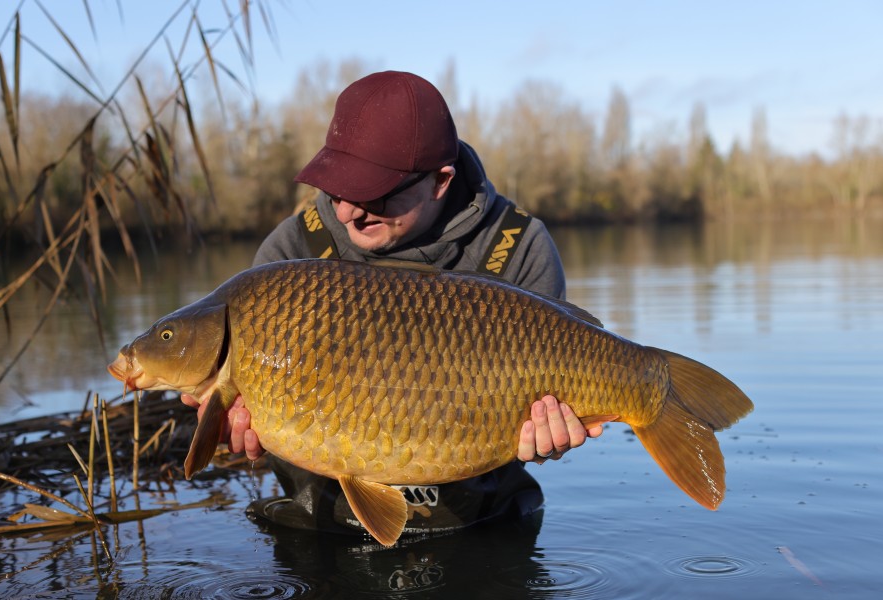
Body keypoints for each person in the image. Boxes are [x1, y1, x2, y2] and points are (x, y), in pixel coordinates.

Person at [183, 70, 602, 537]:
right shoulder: (292, 254)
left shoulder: (517, 245)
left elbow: (553, 406)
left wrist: (552, 435)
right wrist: (229, 421)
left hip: (482, 526)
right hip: (323, 527)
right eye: (338, 188)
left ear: (441, 180)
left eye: (372, 192)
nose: (346, 212)